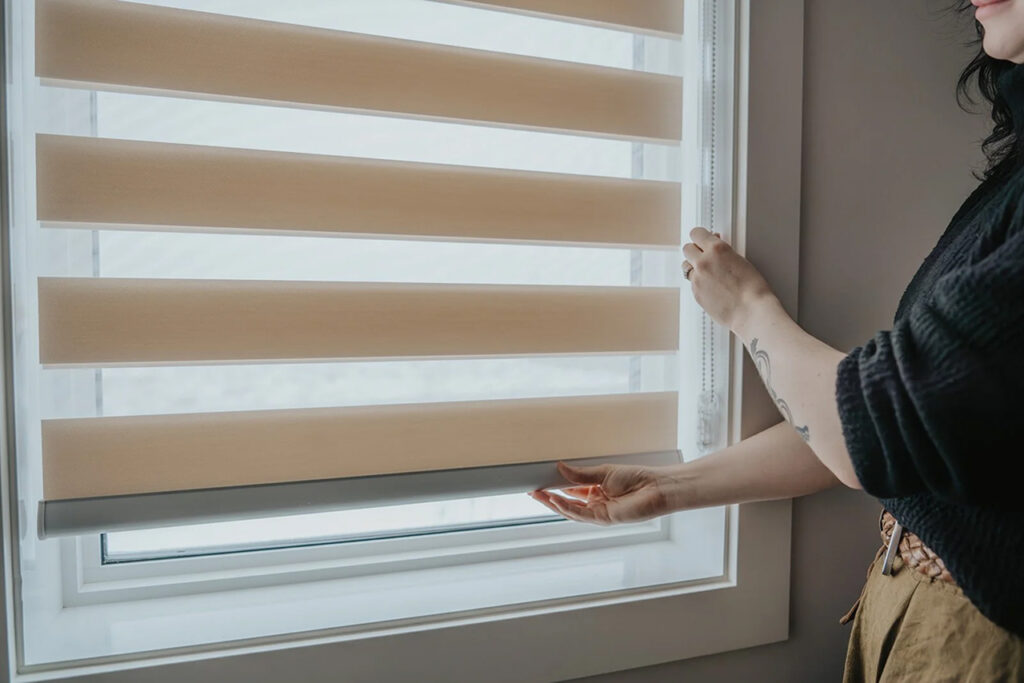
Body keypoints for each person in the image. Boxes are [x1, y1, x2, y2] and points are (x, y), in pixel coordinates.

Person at [530, 1, 1024, 679]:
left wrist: (751, 310)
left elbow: (873, 425)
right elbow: (894, 434)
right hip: (912, 616)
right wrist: (669, 485)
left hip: (984, 646)